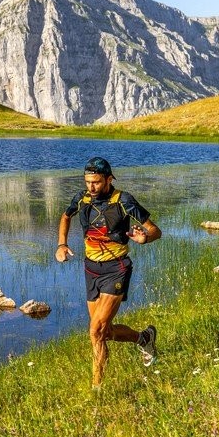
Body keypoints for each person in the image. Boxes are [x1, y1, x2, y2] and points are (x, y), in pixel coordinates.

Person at [56, 157, 162, 388]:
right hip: (91, 269)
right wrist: (61, 245)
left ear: (108, 179)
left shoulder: (123, 200)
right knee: (105, 331)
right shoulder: (81, 198)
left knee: (95, 331)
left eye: (96, 182)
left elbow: (155, 231)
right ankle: (144, 338)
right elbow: (65, 217)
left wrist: (144, 238)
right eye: (87, 182)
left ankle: (97, 388)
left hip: (117, 268)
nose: (91, 187)